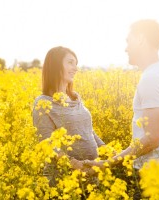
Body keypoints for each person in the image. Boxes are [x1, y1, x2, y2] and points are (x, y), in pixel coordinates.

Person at [80, 19, 159, 199]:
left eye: (128, 41)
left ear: (141, 39)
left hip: (154, 172)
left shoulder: (152, 78)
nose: (125, 48)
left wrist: (107, 164)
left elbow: (151, 140)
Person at [32, 46, 105, 187]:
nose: (75, 68)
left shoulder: (75, 97)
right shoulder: (43, 102)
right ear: (55, 65)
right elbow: (46, 144)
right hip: (64, 180)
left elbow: (88, 131)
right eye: (70, 62)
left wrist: (107, 150)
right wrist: (76, 165)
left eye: (76, 64)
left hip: (92, 176)